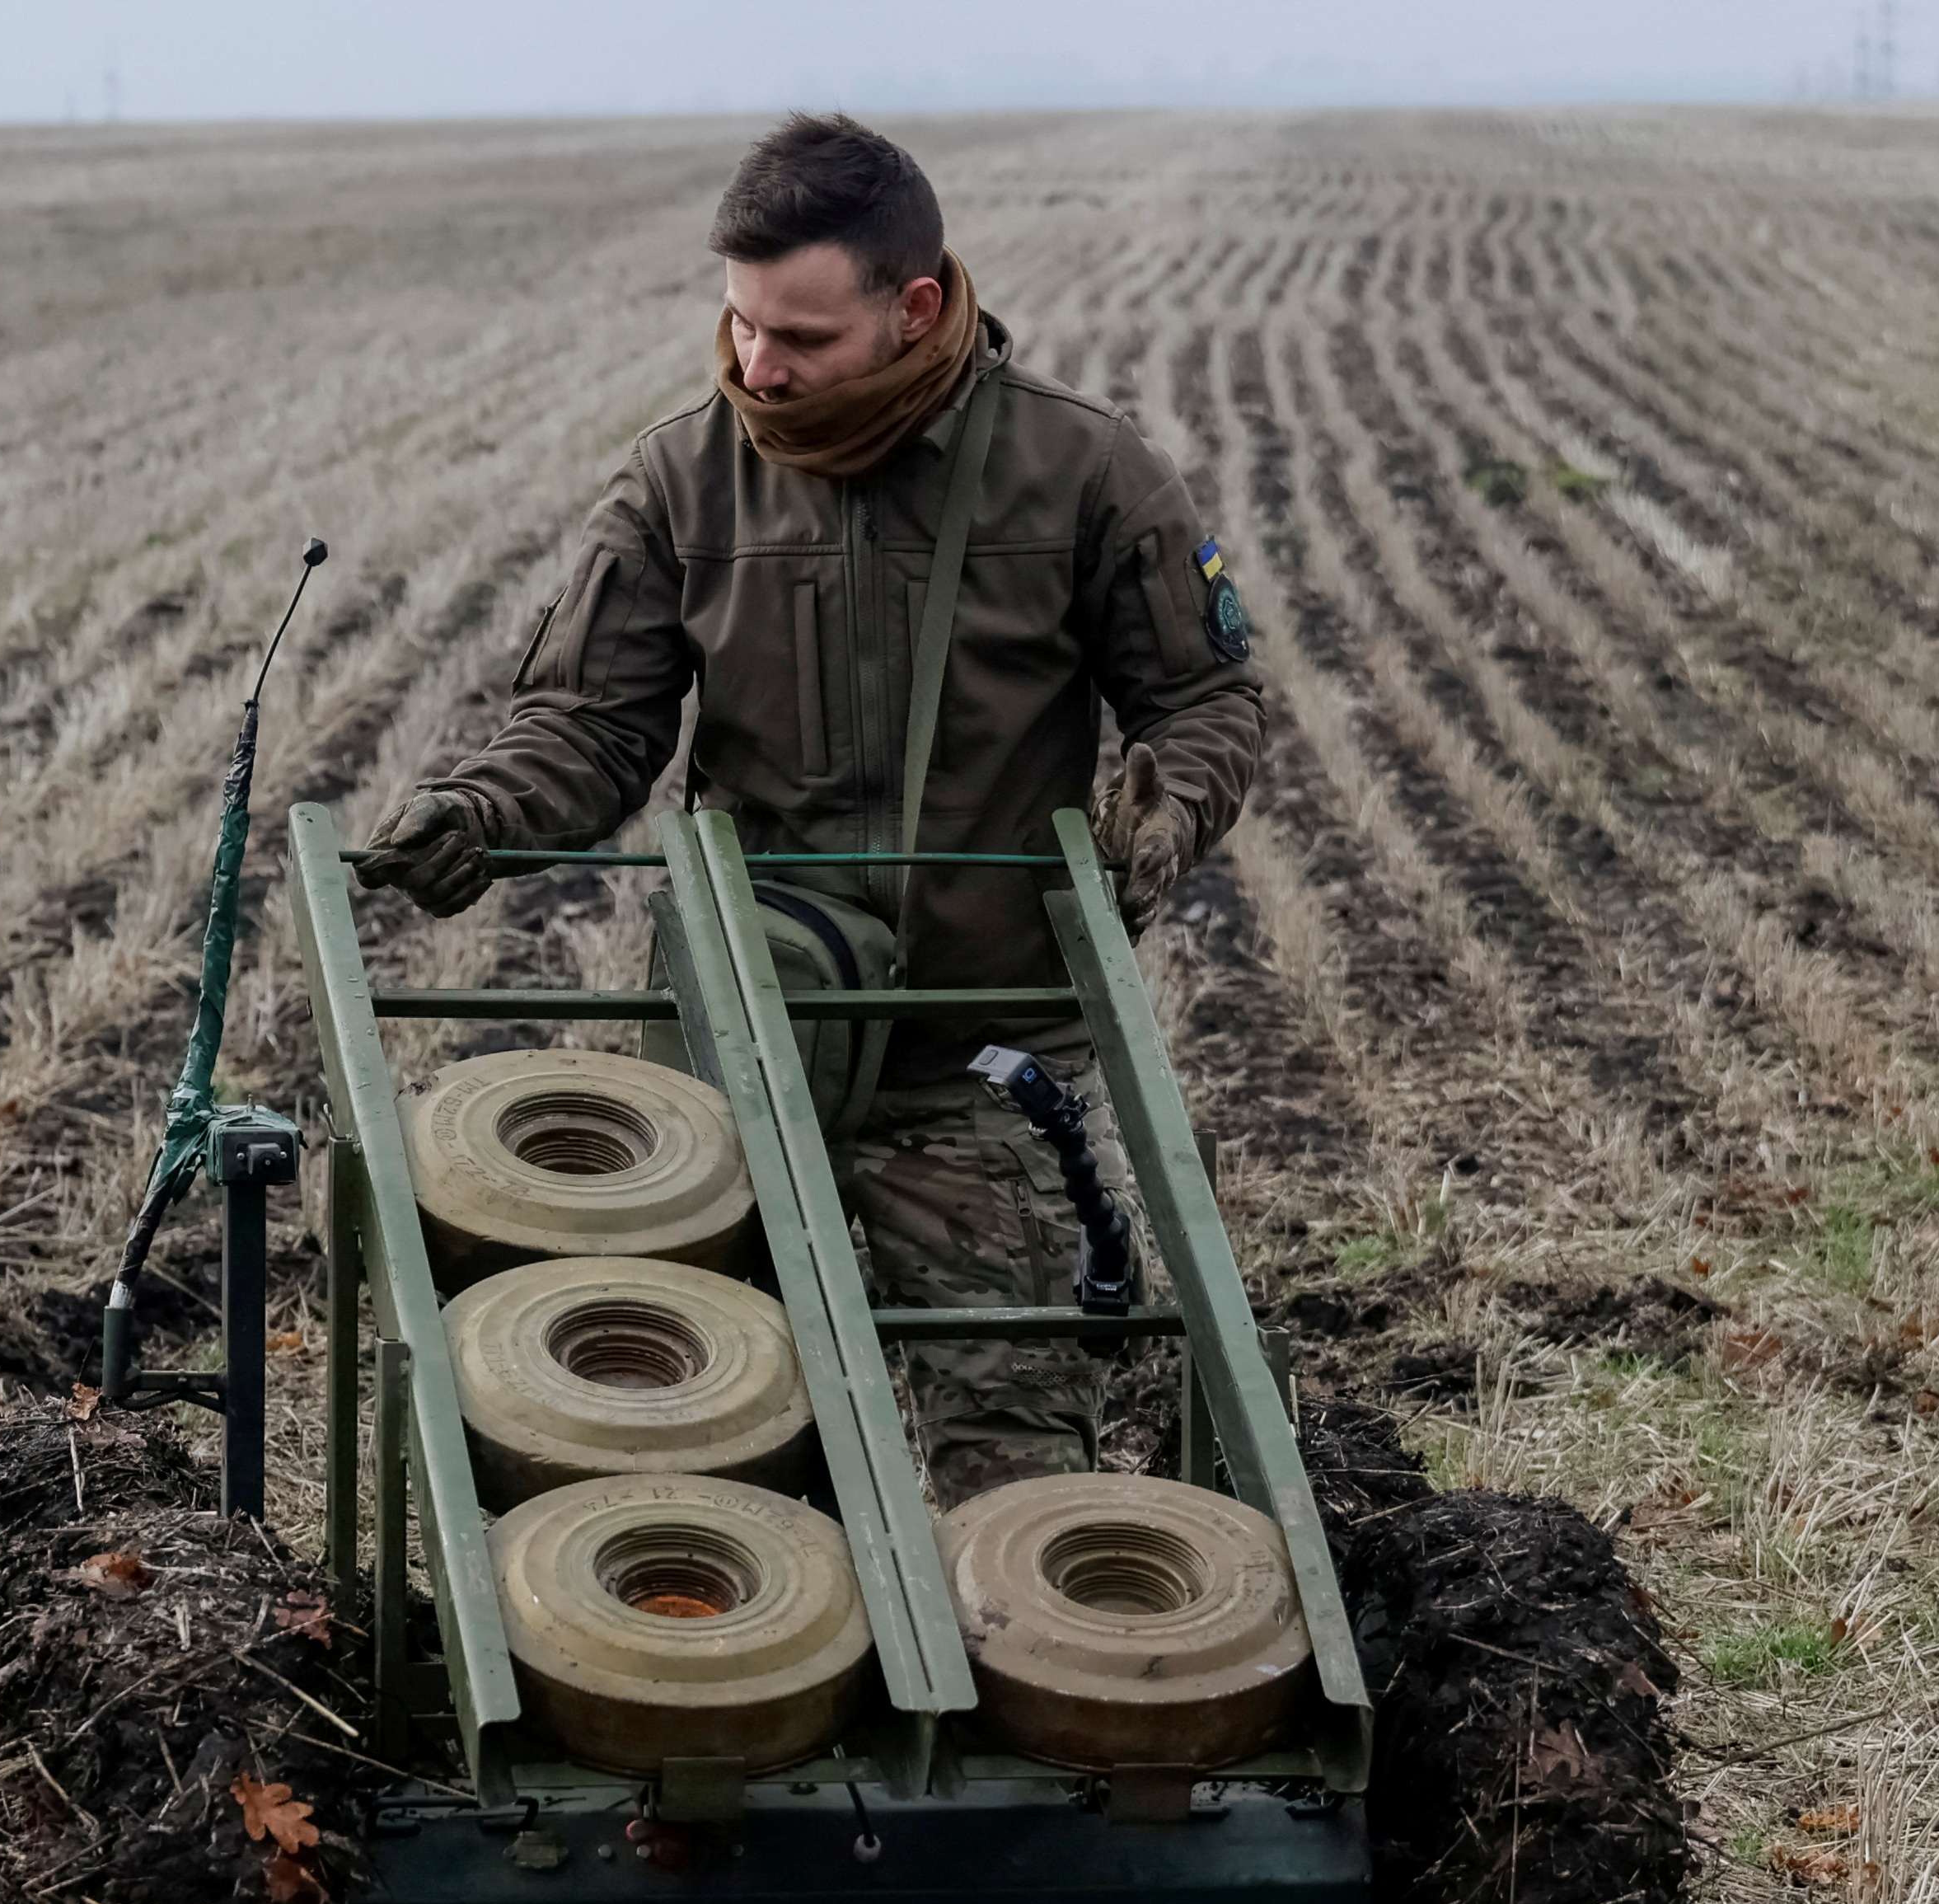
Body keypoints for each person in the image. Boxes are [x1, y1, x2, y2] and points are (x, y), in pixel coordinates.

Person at [351, 112, 1265, 1503]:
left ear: (913, 307)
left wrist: (1169, 812)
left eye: (804, 340)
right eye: (739, 326)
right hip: (742, 1054)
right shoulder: (679, 476)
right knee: (691, 1466)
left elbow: (1203, 702)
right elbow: (592, 726)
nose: (760, 370)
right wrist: (480, 810)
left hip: (979, 1065)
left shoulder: (1082, 471)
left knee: (1018, 1477)